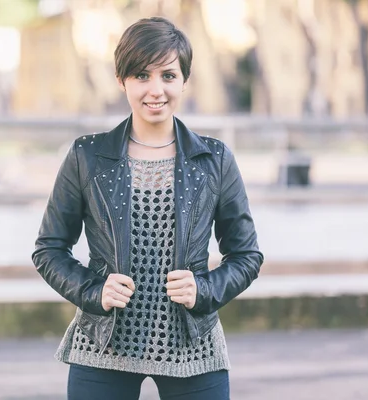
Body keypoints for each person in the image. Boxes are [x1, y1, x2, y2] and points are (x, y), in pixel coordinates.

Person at [32, 17, 263, 400]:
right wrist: (93, 291)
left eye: (168, 76)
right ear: (122, 80)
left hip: (193, 348)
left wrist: (204, 288)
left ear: (184, 81)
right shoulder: (87, 156)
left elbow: (246, 255)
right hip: (103, 347)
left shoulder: (214, 159)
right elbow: (48, 249)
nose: (156, 90)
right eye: (142, 75)